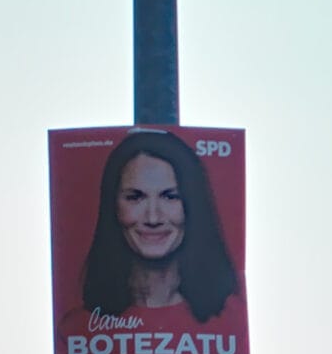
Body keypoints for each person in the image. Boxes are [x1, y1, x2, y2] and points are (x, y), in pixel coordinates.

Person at [81, 131, 238, 322]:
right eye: (135, 197)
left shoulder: (230, 319)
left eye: (170, 197)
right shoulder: (77, 329)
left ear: (193, 204)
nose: (153, 218)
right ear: (113, 206)